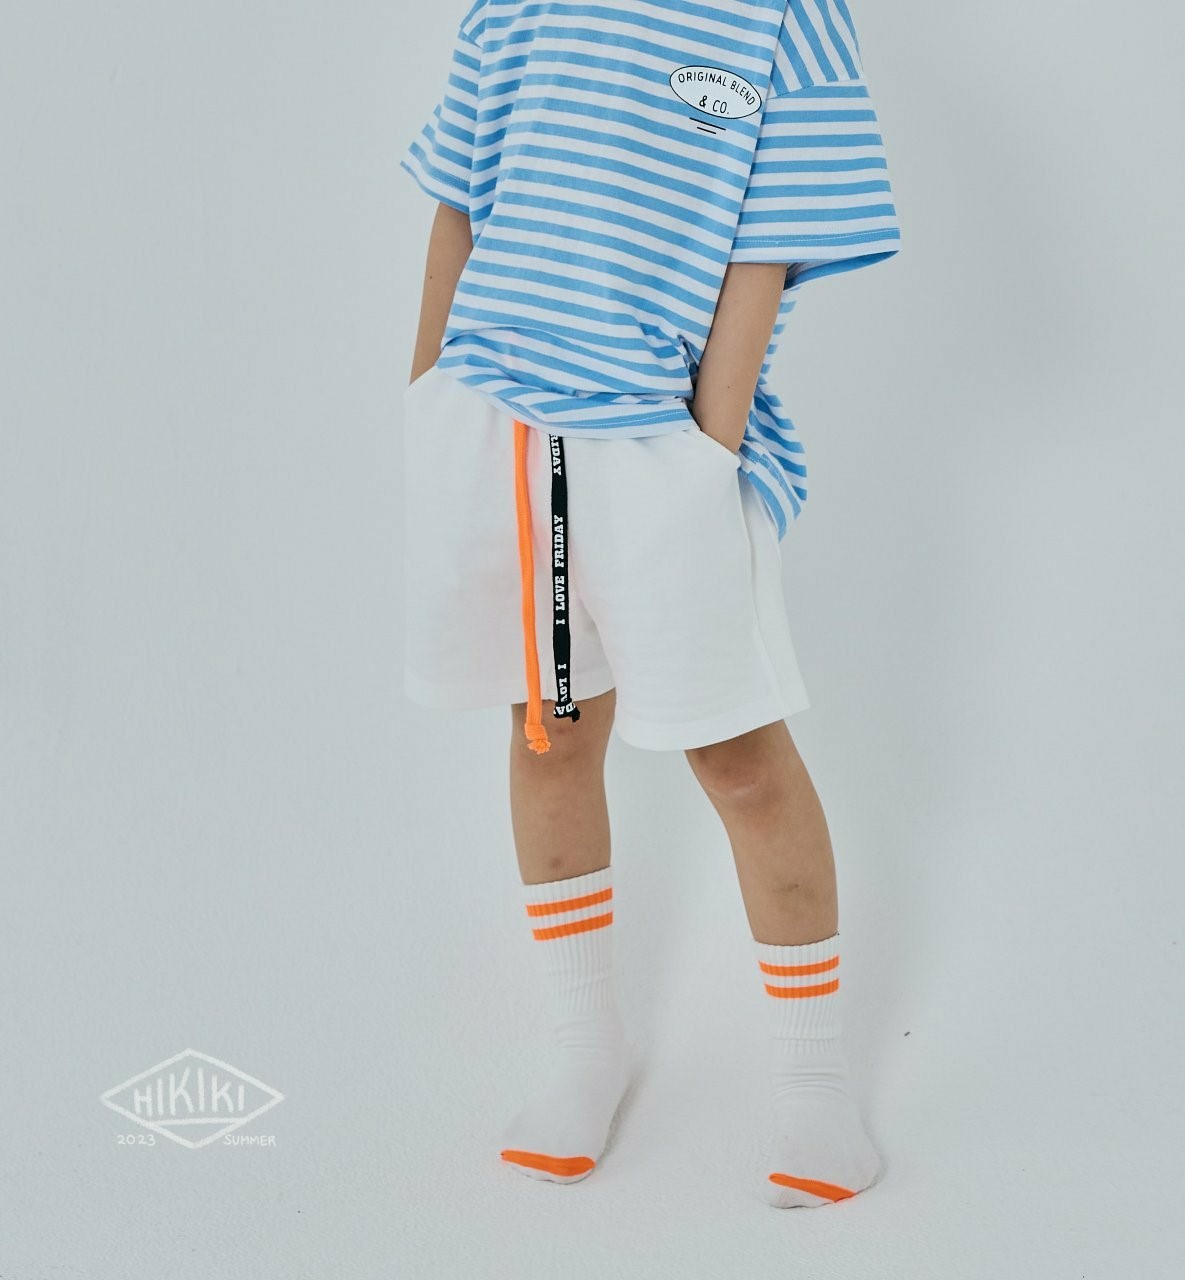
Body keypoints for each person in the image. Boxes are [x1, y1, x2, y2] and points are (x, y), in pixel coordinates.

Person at [400, 0, 900, 1208]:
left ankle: (814, 1084)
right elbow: (459, 196)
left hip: (661, 441)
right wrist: (425, 394)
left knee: (737, 754)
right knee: (550, 725)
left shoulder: (784, 18)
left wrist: (702, 454)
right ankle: (585, 1042)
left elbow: (765, 249)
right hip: (498, 422)